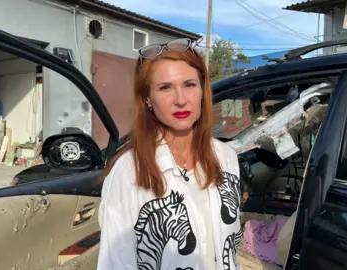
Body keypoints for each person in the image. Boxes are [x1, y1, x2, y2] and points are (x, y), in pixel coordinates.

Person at [97, 38, 242, 270]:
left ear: (202, 91)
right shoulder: (127, 173)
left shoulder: (226, 158)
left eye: (189, 85)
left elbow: (229, 249)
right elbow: (115, 264)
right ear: (147, 99)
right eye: (165, 88)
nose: (181, 100)